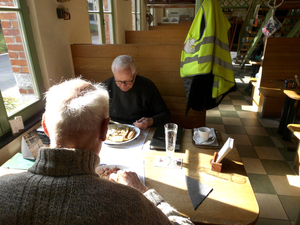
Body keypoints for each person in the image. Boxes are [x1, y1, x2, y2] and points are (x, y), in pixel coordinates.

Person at [0, 77, 193, 225]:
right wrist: (144, 191)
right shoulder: (128, 202)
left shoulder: (3, 190)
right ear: (105, 129)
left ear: (46, 127)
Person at [104, 55, 171, 130]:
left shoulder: (147, 86)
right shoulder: (106, 87)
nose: (123, 85)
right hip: (114, 131)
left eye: (128, 81)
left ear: (135, 74)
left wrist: (150, 122)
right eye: (118, 81)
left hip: (142, 131)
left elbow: (165, 115)